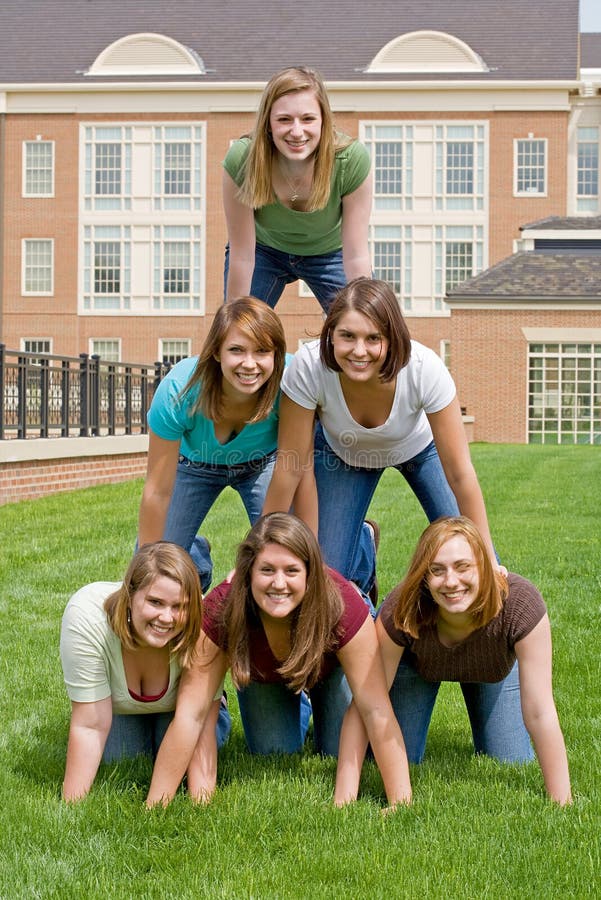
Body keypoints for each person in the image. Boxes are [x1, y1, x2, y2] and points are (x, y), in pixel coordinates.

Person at [146, 513, 412, 808]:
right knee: (272, 751)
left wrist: (400, 804)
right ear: (247, 572)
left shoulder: (341, 605)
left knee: (336, 750)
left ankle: (362, 550)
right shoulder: (221, 609)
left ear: (310, 574)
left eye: (292, 570)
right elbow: (191, 715)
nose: (279, 583)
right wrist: (157, 806)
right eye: (267, 570)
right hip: (265, 672)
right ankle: (303, 703)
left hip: (331, 666)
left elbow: (375, 709)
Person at [263, 277, 500, 597]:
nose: (359, 351)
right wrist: (263, 546)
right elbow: (290, 466)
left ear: (392, 338)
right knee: (324, 582)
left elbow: (459, 474)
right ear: (331, 333)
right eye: (347, 336)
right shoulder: (309, 367)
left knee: (472, 559)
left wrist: (486, 555)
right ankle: (360, 546)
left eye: (373, 338)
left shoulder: (423, 368)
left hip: (418, 449)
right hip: (343, 455)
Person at [345, 516, 571, 805]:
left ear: (484, 566)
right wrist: (345, 800)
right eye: (437, 570)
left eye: (463, 567)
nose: (451, 582)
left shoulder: (522, 604)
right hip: (416, 666)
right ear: (424, 577)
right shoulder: (401, 610)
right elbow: (368, 703)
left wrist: (562, 802)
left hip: (492, 668)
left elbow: (541, 711)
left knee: (510, 759)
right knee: (399, 757)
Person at [138, 296, 313, 592]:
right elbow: (157, 490)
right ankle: (193, 556)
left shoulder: (291, 379)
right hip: (192, 465)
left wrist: (256, 557)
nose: (249, 363)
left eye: (262, 351)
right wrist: (143, 571)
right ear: (217, 352)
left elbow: (292, 467)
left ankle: (357, 537)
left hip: (265, 462)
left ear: (277, 354)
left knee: (286, 550)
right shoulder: (179, 390)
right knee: (158, 563)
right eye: (236, 350)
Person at [60, 542, 231, 802]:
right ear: (130, 595)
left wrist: (202, 807)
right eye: (155, 602)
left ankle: (222, 709)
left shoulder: (204, 627)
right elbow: (90, 725)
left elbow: (198, 722)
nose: (166, 617)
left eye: (179, 606)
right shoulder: (87, 617)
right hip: (121, 707)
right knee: (122, 760)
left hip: (183, 710)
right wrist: (70, 807)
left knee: (181, 752)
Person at [223, 66, 373, 311]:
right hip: (262, 251)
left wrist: (364, 316)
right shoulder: (242, 160)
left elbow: (356, 255)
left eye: (308, 119)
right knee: (241, 327)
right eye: (284, 119)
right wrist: (236, 325)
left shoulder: (351, 160)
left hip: (331, 253)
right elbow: (242, 255)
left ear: (324, 121)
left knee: (363, 321)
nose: (296, 131)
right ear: (268, 124)